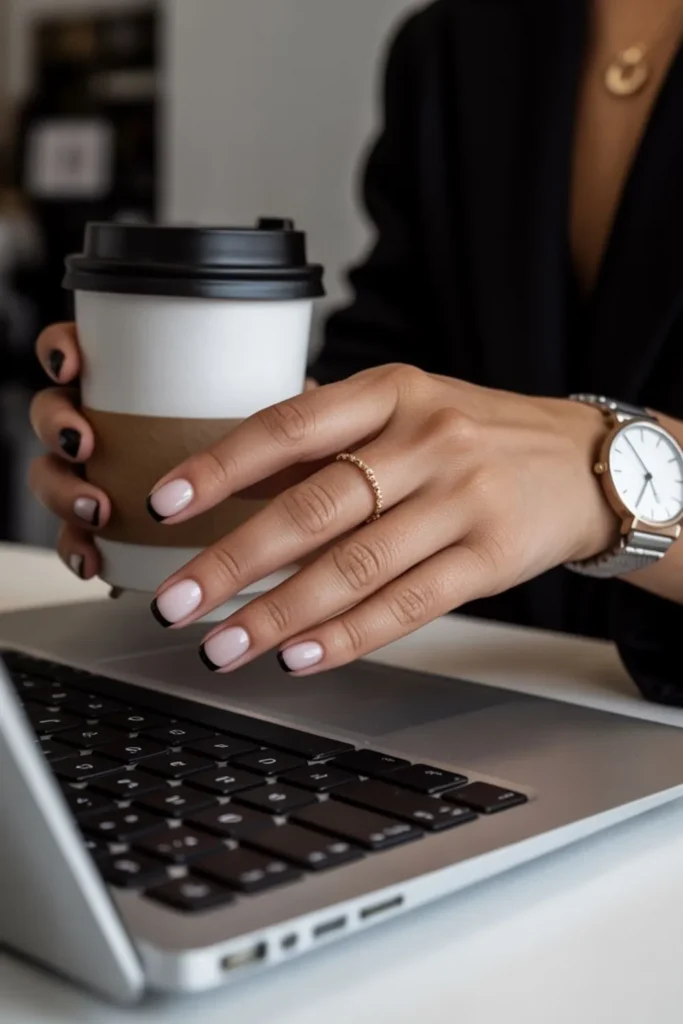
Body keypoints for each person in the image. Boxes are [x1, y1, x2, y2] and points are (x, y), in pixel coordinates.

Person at [26, 0, 683, 703]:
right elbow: (393, 362)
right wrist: (265, 458)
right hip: (453, 694)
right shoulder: (454, 41)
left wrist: (606, 479)